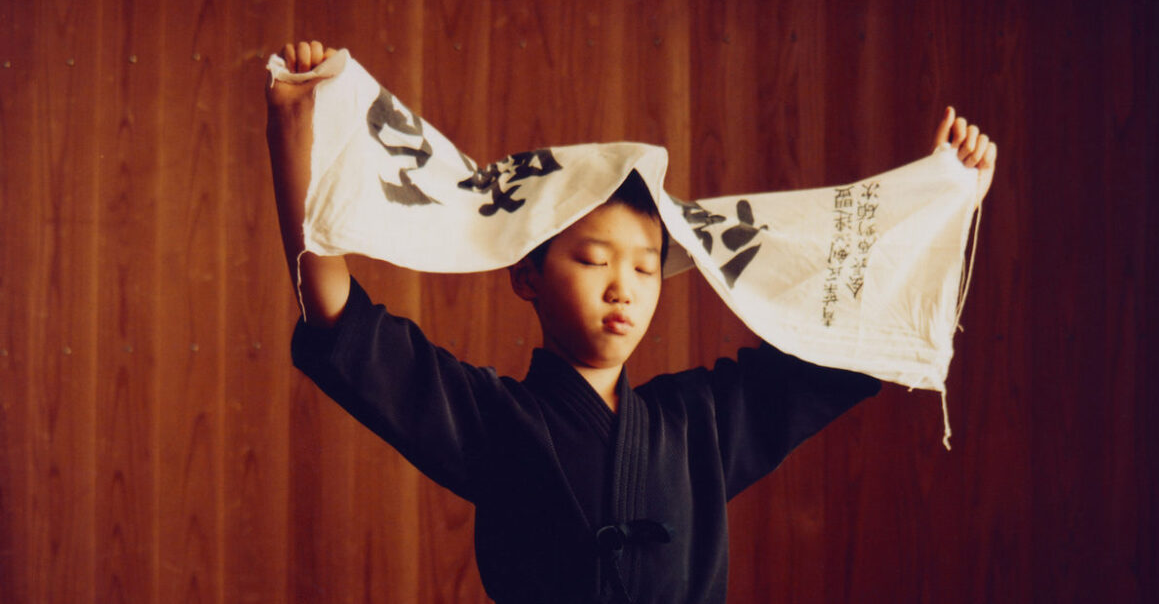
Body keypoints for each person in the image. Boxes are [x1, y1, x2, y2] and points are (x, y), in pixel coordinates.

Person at [266, 40, 997, 604]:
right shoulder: (493, 420)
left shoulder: (700, 423)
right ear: (527, 273)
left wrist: (947, 200)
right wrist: (296, 125)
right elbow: (337, 317)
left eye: (646, 267)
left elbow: (850, 341)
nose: (625, 288)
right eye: (593, 260)